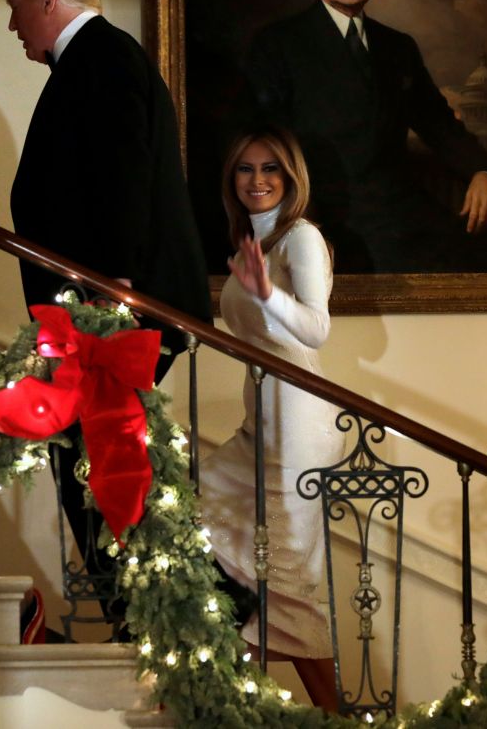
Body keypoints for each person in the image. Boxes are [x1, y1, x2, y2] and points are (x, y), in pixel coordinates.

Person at [0, 0, 212, 632]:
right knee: (91, 451)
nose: (13, 26)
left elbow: (126, 167)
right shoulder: (95, 57)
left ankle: (146, 611)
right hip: (101, 301)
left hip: (115, 302)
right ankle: (144, 609)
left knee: (89, 452)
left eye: (15, 8)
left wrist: (115, 285)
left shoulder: (104, 56)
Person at [244, 0, 487, 274]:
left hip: (397, 211)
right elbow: (265, 143)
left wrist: (481, 171)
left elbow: (439, 124)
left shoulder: (398, 47)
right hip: (320, 213)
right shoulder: (279, 44)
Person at [198, 127, 343, 711]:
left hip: (301, 419)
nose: (257, 181)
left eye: (271, 170)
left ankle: (335, 715)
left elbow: (316, 329)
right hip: (262, 416)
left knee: (286, 577)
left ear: (290, 179)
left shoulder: (300, 238)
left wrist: (266, 294)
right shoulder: (249, 241)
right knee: (197, 516)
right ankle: (235, 696)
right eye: (245, 170)